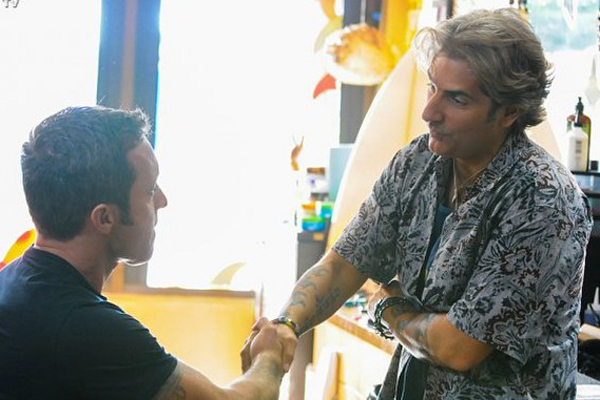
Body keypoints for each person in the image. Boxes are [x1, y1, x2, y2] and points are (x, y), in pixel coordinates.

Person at [245, 8, 594, 399]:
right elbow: (345, 262)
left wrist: (388, 309)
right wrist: (286, 325)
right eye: (432, 87)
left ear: (509, 112)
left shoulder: (542, 198)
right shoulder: (418, 162)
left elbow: (458, 346)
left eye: (456, 99)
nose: (429, 112)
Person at [0, 106, 284, 400]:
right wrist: (269, 357)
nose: (162, 201)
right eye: (149, 191)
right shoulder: (87, 329)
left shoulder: (11, 283)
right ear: (104, 218)